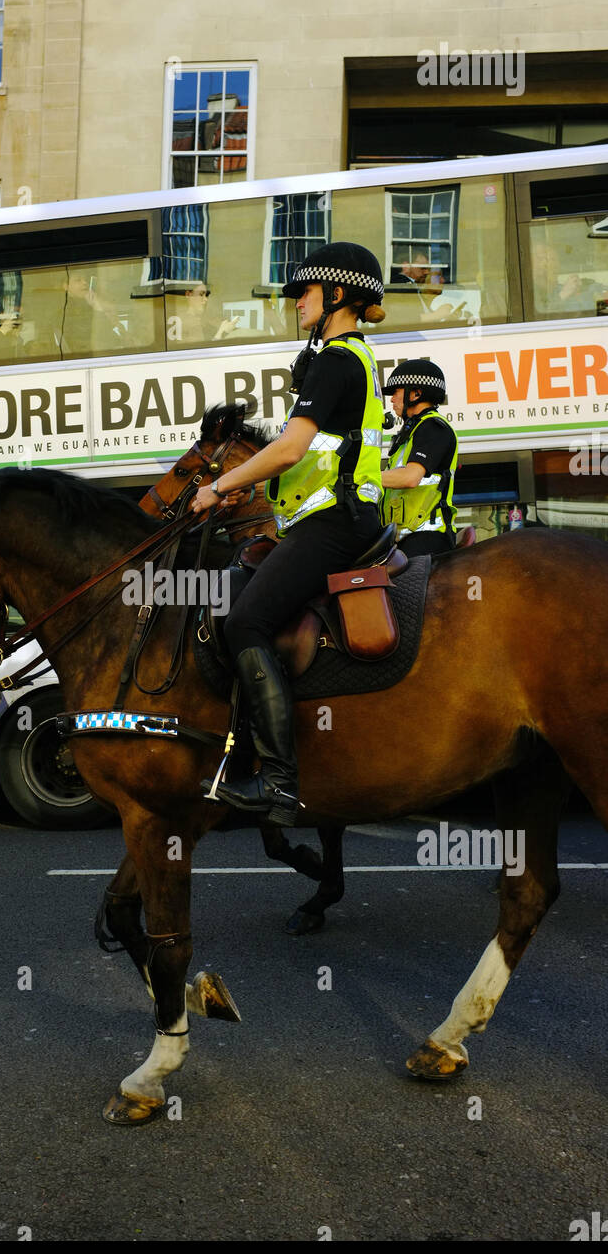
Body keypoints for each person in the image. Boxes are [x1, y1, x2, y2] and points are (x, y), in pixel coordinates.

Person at [190, 242, 387, 825]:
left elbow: (290, 450)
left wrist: (218, 488)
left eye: (305, 291)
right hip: (336, 518)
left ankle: (278, 782)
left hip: (335, 523)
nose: (296, 301)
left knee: (244, 620)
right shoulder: (357, 357)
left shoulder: (337, 358)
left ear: (338, 296)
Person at [380, 359, 458, 556]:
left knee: (397, 586)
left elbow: (410, 477)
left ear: (416, 394)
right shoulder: (413, 430)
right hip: (405, 536)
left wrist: (361, 477)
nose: (391, 400)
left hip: (427, 537)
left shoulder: (432, 427)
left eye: (396, 392)